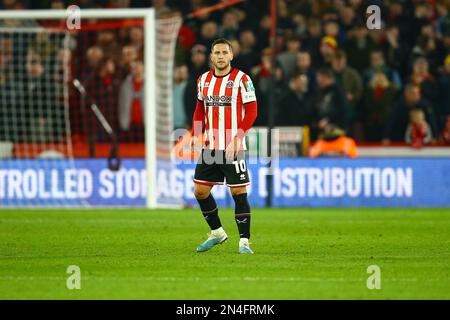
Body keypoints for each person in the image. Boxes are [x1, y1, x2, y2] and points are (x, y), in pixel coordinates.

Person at [190, 38, 258, 254]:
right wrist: (196, 134)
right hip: (210, 146)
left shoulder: (242, 79)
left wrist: (238, 138)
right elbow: (199, 109)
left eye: (224, 53)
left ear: (231, 55)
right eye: (216, 53)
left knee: (238, 192)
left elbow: (252, 111)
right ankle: (217, 232)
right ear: (212, 56)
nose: (220, 56)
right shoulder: (203, 80)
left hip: (233, 146)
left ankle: (244, 242)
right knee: (200, 191)